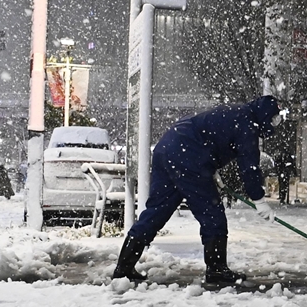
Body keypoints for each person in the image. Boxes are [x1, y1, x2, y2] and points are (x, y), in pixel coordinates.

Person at [112, 95, 284, 289]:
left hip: (168, 147)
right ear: (266, 114)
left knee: (157, 211)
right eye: (274, 118)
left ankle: (123, 267)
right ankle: (217, 270)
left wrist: (212, 169)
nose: (274, 124)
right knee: (212, 213)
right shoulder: (248, 124)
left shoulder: (237, 112)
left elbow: (212, 136)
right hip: (188, 155)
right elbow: (249, 167)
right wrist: (259, 199)